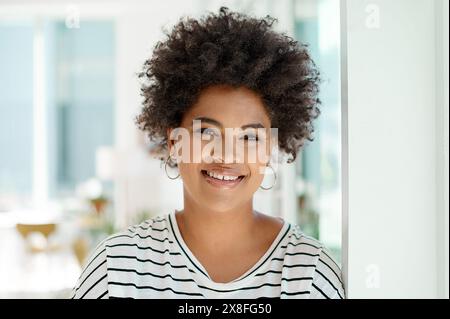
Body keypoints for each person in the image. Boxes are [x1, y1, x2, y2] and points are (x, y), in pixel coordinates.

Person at [71, 7, 345, 299]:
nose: (227, 157)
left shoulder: (309, 272)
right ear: (175, 141)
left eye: (250, 137)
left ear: (268, 150)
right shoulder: (116, 269)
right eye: (207, 132)